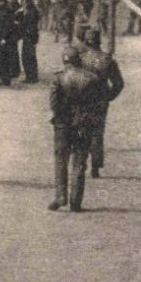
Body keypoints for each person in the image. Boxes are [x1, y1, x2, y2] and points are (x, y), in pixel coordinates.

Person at [49, 46, 107, 212]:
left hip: (63, 125)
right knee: (80, 161)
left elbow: (54, 105)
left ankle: (60, 196)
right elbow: (98, 103)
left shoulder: (58, 78)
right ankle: (76, 201)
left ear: (64, 61)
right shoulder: (92, 78)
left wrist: (61, 117)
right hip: (84, 124)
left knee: (61, 160)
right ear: (79, 61)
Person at [76, 26, 124, 177]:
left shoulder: (80, 59)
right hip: (100, 100)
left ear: (86, 41)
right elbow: (118, 83)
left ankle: (80, 162)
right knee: (97, 132)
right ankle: (95, 167)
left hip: (82, 99)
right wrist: (108, 96)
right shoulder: (107, 59)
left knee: (81, 130)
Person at [16, 0, 41, 84]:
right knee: (28, 56)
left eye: (22, 1)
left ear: (26, 1)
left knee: (28, 57)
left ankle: (31, 77)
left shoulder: (31, 12)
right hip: (30, 36)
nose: (21, 3)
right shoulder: (30, 10)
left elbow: (27, 24)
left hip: (30, 36)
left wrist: (19, 23)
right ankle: (31, 76)